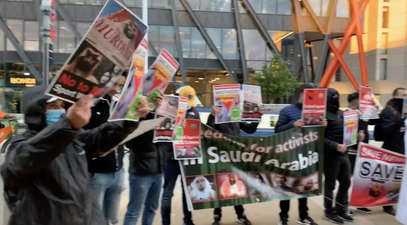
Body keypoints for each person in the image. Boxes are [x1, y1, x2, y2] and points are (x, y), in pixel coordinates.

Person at [0, 86, 149, 225]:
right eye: (53, 106)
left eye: (61, 106)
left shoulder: (73, 138)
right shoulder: (21, 145)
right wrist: (67, 125)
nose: (60, 111)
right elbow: (31, 154)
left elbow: (101, 136)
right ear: (35, 110)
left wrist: (130, 118)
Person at [207, 101, 264, 225]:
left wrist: (257, 118)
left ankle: (240, 214)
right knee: (221, 183)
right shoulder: (217, 116)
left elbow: (250, 130)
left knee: (237, 184)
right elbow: (208, 130)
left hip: (235, 156)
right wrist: (212, 115)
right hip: (221, 155)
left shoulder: (235, 116)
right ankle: (217, 216)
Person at [83, 71, 127, 225]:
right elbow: (83, 137)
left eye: (120, 85)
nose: (116, 89)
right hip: (97, 172)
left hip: (117, 171)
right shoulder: (90, 104)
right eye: (114, 84)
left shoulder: (119, 104)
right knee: (94, 219)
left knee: (112, 220)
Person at [274, 83, 321, 225]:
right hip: (288, 155)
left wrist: (323, 124)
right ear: (302, 94)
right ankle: (283, 217)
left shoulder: (317, 112)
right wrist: (292, 124)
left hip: (307, 155)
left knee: (305, 185)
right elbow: (277, 130)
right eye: (311, 95)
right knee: (286, 187)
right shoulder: (287, 111)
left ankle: (303, 215)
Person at [323, 88, 365, 224]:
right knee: (330, 184)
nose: (335, 99)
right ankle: (329, 211)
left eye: (336, 96)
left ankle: (341, 209)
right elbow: (318, 137)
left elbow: (349, 133)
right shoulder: (322, 116)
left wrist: (357, 137)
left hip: (344, 153)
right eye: (332, 96)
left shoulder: (342, 114)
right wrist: (334, 146)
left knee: (346, 182)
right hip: (330, 155)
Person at [161, 86, 201, 225]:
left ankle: (188, 221)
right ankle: (166, 222)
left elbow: (197, 134)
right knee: (167, 193)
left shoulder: (194, 112)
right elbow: (161, 131)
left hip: (186, 158)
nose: (188, 107)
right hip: (170, 159)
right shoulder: (169, 110)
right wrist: (175, 124)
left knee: (187, 193)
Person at [122, 94, 164, 225]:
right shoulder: (132, 120)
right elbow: (130, 144)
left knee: (151, 208)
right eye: (143, 104)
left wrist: (160, 110)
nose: (146, 106)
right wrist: (147, 129)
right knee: (134, 210)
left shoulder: (155, 116)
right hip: (141, 171)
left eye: (147, 103)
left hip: (158, 169)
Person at [377, 87, 407, 215]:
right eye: (403, 95)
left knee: (399, 179)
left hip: (402, 149)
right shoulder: (389, 111)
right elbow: (385, 130)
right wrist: (399, 123)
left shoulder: (403, 111)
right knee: (390, 179)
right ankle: (387, 204)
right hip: (391, 150)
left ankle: (398, 201)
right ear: (396, 96)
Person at [346, 92, 371, 214]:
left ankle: (360, 203)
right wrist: (357, 137)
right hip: (350, 152)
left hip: (363, 152)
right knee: (347, 180)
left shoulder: (363, 115)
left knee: (362, 179)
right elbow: (347, 136)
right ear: (356, 101)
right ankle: (345, 205)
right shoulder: (347, 114)